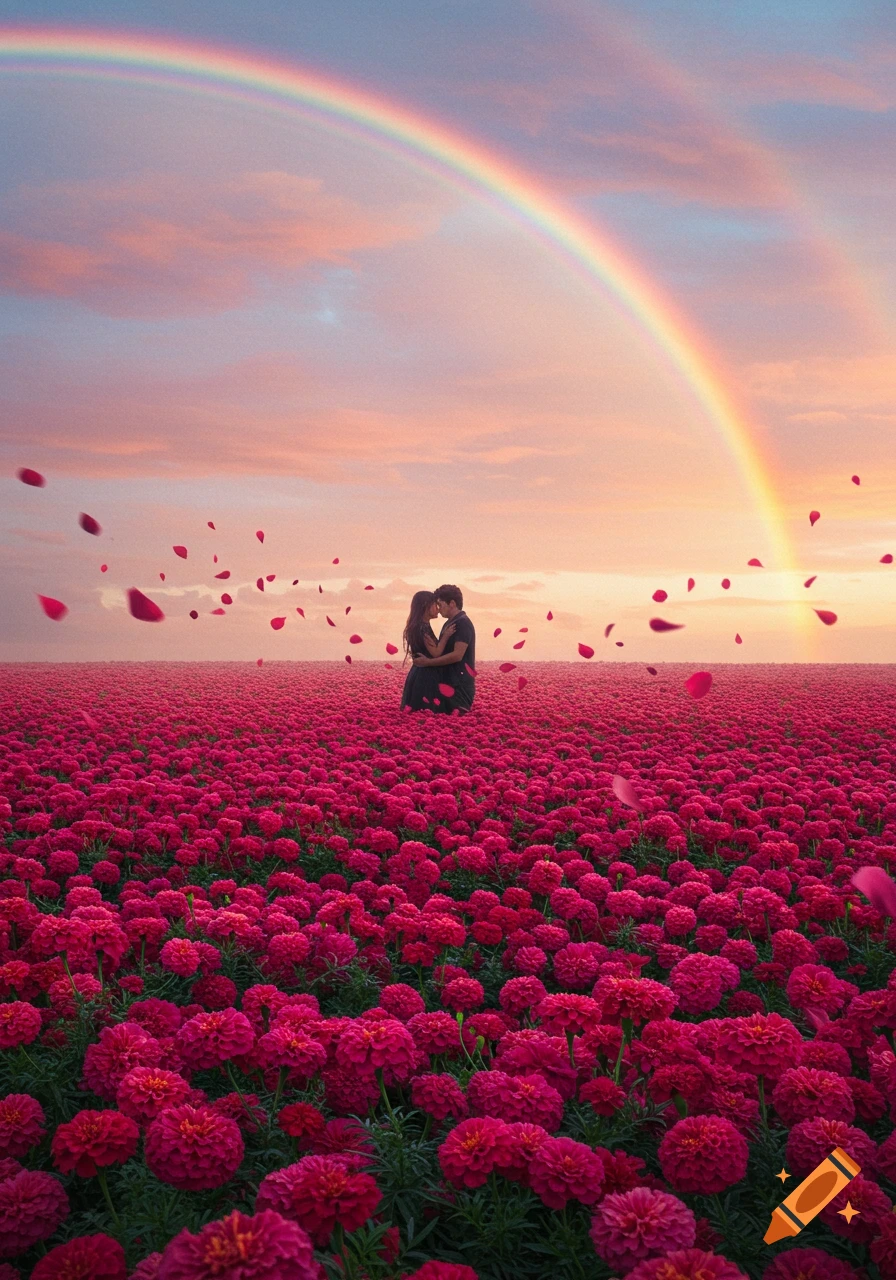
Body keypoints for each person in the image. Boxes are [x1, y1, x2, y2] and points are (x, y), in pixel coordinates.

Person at [412, 584, 476, 714]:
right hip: (449, 683)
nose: (439, 609)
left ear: (452, 603)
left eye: (440, 605)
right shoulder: (450, 623)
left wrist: (428, 663)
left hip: (459, 684)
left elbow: (457, 655)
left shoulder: (462, 623)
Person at [399, 590, 456, 712]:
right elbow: (436, 653)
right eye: (435, 605)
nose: (438, 609)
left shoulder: (418, 626)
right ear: (425, 606)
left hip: (418, 672)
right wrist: (446, 636)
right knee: (427, 711)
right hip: (426, 676)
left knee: (417, 713)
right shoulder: (422, 628)